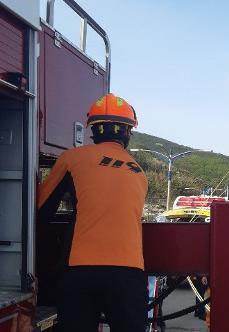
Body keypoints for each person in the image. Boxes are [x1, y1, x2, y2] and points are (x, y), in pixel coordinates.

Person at [38, 93, 148, 332]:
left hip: (81, 269)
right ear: (128, 131)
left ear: (93, 130)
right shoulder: (139, 172)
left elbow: (41, 209)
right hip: (129, 272)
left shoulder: (72, 158)